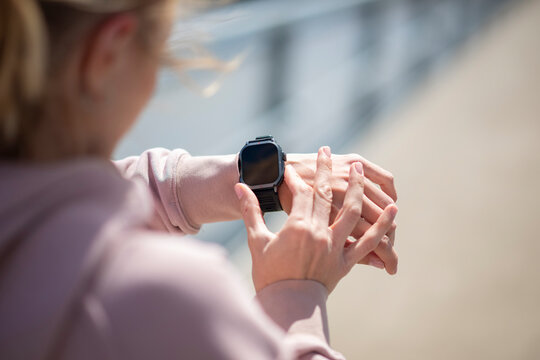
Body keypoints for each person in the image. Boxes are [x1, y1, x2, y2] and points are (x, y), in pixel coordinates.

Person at [0, 0, 399, 359]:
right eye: (159, 42)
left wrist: (255, 180)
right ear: (108, 53)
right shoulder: (167, 294)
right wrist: (295, 295)